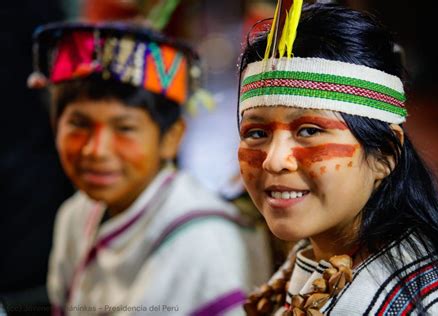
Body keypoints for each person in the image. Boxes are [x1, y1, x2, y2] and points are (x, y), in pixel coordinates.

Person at [237, 3, 438, 315]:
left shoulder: (411, 306)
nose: (274, 160)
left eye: (309, 130)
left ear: (385, 155)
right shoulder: (316, 261)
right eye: (256, 133)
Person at [28, 21, 271, 315]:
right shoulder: (75, 216)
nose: (96, 150)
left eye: (125, 128)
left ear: (171, 138)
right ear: (55, 126)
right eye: (79, 124)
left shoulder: (204, 242)